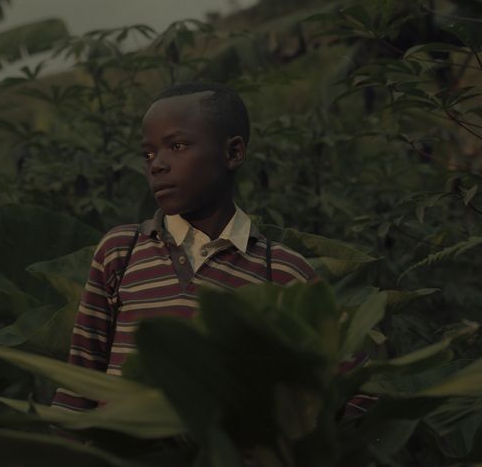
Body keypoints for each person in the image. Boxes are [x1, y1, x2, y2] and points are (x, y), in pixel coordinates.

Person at [53, 82, 317, 411]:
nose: (156, 165)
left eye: (177, 146)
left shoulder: (281, 271)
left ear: (233, 153)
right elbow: (79, 382)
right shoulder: (121, 252)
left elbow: (346, 392)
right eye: (148, 154)